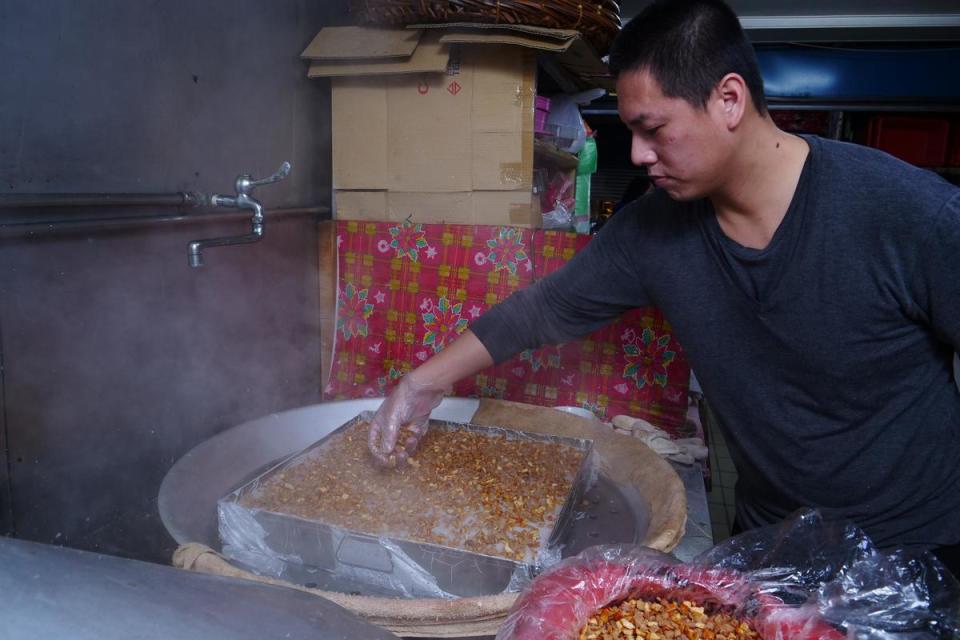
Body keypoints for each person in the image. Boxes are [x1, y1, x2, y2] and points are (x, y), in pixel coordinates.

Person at [367, 0, 960, 573]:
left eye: (653, 129)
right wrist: (421, 384)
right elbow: (543, 309)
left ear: (729, 99)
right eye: (630, 131)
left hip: (918, 552)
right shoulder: (654, 230)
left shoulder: (905, 213)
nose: (638, 155)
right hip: (770, 546)